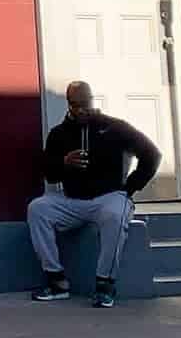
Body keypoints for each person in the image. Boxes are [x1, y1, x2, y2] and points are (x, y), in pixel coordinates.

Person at [28, 80, 159, 308]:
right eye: (75, 105)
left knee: (116, 216)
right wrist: (63, 163)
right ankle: (56, 280)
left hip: (109, 196)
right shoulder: (59, 134)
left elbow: (151, 155)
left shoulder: (115, 128)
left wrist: (130, 187)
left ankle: (104, 283)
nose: (81, 109)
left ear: (92, 100)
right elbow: (49, 174)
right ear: (68, 104)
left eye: (85, 103)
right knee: (38, 209)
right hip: (72, 200)